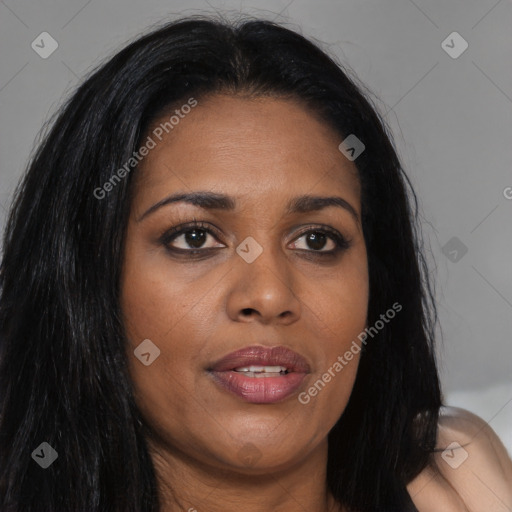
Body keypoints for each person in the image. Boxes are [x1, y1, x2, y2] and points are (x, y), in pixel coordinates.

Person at [0, 15, 510, 512]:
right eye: (194, 237)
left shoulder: (480, 484)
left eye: (316, 240)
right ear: (86, 280)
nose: (268, 295)